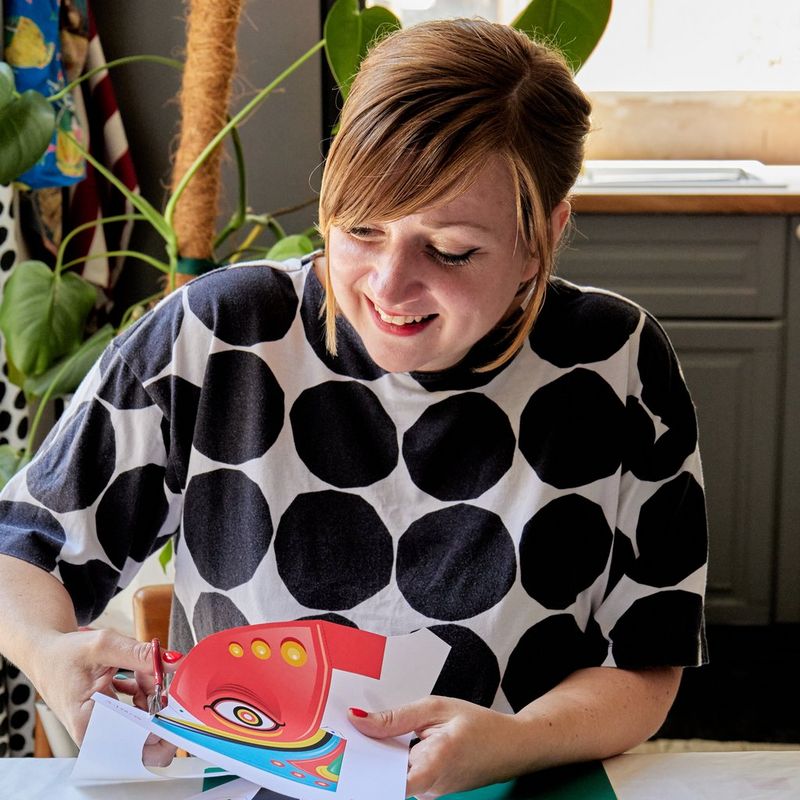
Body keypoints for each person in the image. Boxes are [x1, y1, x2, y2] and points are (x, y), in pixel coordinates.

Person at [0, 17, 707, 798]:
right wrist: (49, 652)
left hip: (515, 786)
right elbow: (20, 549)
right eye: (361, 229)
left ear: (542, 236)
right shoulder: (218, 336)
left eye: (451, 250)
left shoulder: (615, 362)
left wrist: (512, 743)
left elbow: (647, 658)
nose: (387, 286)